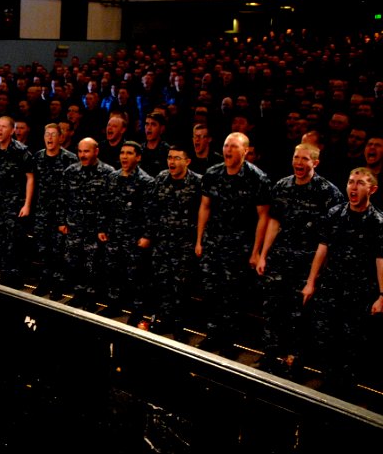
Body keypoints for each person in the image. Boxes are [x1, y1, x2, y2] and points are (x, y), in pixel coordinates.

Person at [255, 143, 343, 375]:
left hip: (307, 263)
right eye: (296, 158)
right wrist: (263, 255)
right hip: (280, 258)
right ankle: (270, 355)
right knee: (273, 309)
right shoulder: (282, 186)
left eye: (304, 159)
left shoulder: (328, 192)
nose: (298, 163)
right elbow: (274, 222)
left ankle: (294, 360)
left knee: (300, 315)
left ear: (315, 163)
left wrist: (317, 274)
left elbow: (330, 237)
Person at [302, 168, 383, 396]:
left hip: (359, 293)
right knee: (327, 338)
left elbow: (381, 260)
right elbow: (322, 249)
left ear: (372, 189)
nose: (353, 187)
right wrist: (311, 282)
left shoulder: (377, 222)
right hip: (331, 287)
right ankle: (328, 382)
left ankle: (346, 390)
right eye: (350, 182)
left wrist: (382, 295)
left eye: (359, 183)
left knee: (352, 344)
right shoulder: (335, 213)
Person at [195, 132, 271, 351]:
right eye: (226, 145)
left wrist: (256, 252)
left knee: (233, 295)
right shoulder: (212, 173)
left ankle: (229, 341)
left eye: (234, 147)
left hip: (240, 246)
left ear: (245, 151)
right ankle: (212, 334)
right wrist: (199, 239)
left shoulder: (257, 178)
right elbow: (205, 207)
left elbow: (263, 216)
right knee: (211, 292)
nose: (228, 150)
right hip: (213, 243)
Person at [140, 145, 203, 337]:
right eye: (169, 158)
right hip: (162, 243)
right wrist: (149, 235)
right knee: (162, 285)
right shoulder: (161, 178)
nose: (171, 162)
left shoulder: (198, 182)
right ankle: (164, 321)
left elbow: (203, 213)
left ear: (187, 161)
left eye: (176, 158)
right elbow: (151, 209)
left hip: (185, 244)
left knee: (181, 288)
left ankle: (180, 327)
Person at [98, 141, 155, 322]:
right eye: (122, 153)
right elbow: (104, 205)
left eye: (129, 153)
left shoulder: (146, 182)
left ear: (138, 157)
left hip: (134, 237)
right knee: (112, 273)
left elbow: (150, 212)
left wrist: (147, 235)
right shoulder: (112, 177)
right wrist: (102, 227)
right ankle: (113, 306)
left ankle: (137, 313)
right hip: (114, 235)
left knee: (135, 277)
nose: (124, 156)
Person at [61, 138, 117, 308]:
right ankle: (78, 294)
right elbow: (63, 198)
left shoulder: (108, 173)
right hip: (75, 227)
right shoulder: (71, 171)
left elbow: (111, 203)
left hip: (96, 229)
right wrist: (62, 221)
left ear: (96, 151)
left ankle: (92, 298)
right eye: (80, 151)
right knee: (75, 263)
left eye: (87, 151)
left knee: (94, 265)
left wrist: (105, 227)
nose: (82, 155)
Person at [0, 116, 35, 289]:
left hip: (16, 202)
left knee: (14, 241)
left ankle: (16, 278)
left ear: (12, 130)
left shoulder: (21, 151)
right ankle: (6, 274)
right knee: (0, 240)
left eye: (3, 127)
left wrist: (27, 204)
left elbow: (30, 178)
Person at [31, 123, 78, 298]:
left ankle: (58, 286)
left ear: (60, 138)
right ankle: (44, 282)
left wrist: (67, 218)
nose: (49, 138)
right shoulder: (37, 157)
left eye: (53, 135)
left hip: (62, 215)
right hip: (42, 213)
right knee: (43, 250)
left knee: (59, 252)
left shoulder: (70, 159)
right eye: (47, 134)